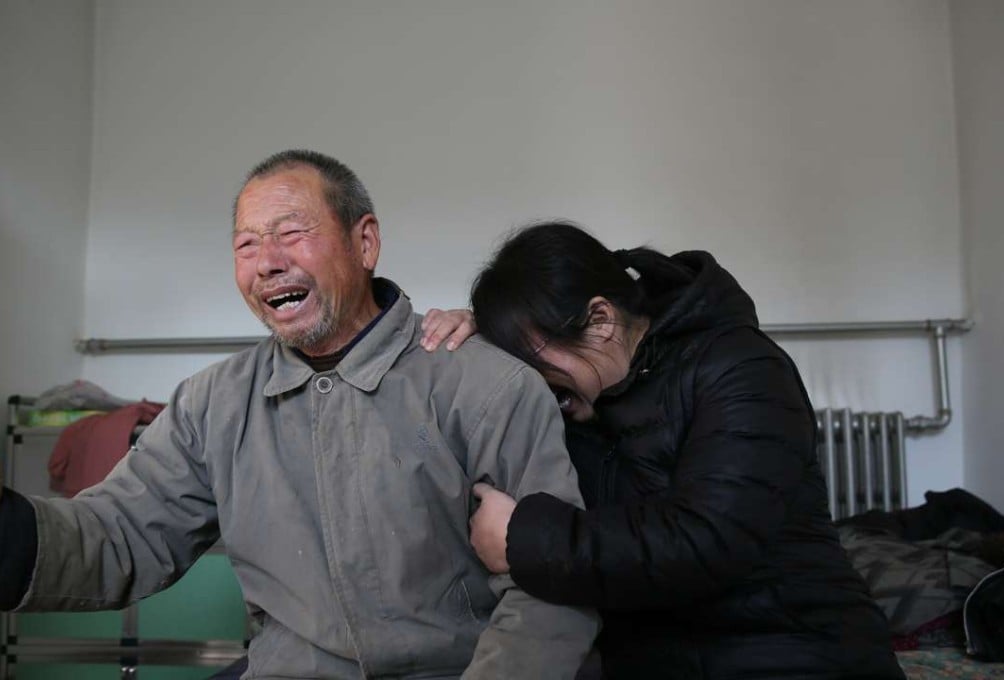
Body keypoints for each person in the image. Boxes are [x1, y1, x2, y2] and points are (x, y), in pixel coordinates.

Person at [0, 152, 599, 679]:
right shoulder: (211, 404)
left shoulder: (485, 385)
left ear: (365, 242)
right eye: (246, 244)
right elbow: (119, 536)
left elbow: (546, 594)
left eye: (291, 232)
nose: (267, 262)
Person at [435, 221, 905, 679]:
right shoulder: (578, 400)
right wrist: (484, 351)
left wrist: (525, 539)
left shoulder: (741, 368)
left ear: (600, 320)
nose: (532, 380)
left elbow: (708, 539)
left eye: (533, 360)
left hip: (794, 651)